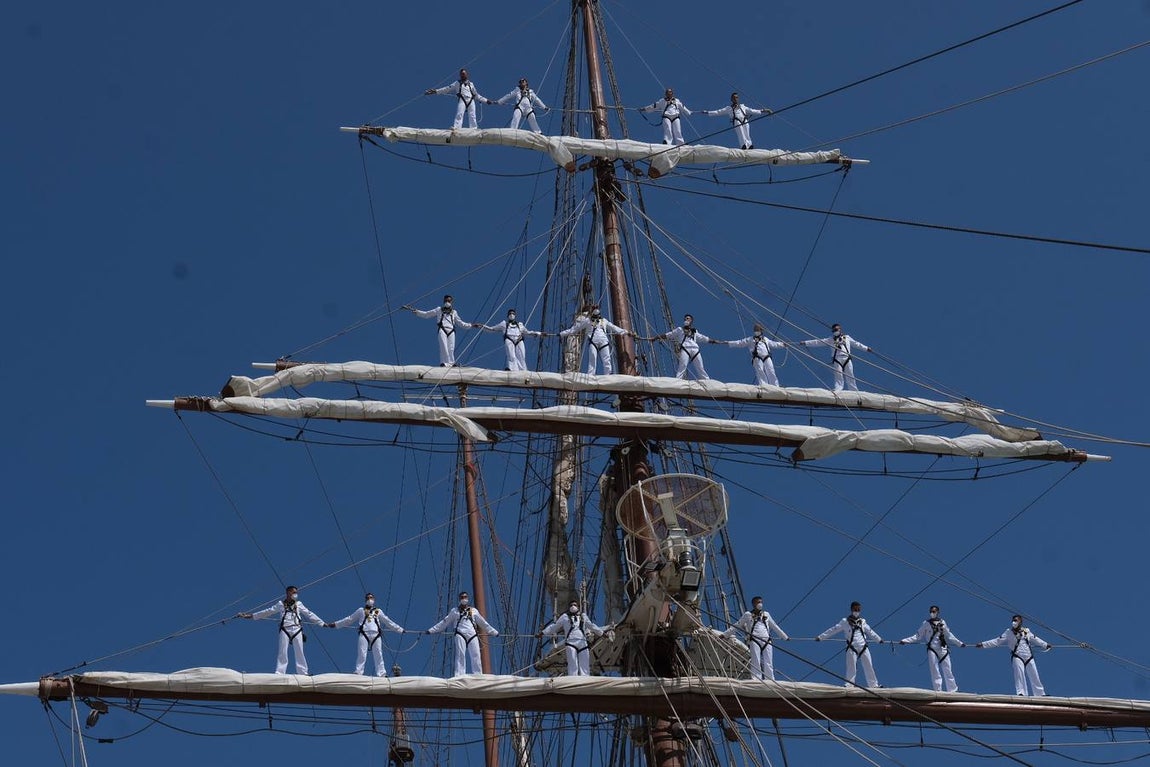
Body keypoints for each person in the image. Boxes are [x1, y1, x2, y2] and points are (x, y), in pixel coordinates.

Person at [237, 586, 327, 675]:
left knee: (299, 650)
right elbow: (267, 611)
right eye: (294, 592)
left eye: (296, 593)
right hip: (285, 629)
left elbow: (309, 614)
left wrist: (322, 623)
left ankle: (303, 672)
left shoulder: (299, 604)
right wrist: (250, 616)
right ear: (288, 593)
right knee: (282, 651)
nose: (296, 594)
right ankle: (280, 672)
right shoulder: (280, 604)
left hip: (297, 629)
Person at [325, 592, 405, 677]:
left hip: (376, 634)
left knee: (378, 654)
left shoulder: (378, 611)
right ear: (365, 600)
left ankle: (382, 673)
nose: (369, 599)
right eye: (368, 598)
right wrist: (336, 624)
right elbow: (349, 619)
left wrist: (400, 629)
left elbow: (388, 622)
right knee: (362, 653)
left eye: (371, 597)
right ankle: (358, 671)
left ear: (374, 599)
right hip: (364, 633)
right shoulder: (361, 611)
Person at [975, 615, 1052, 696]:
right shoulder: (1008, 632)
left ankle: (1040, 693)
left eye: (1015, 620)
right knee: (1019, 674)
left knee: (1034, 675)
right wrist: (983, 644)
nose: (1013, 622)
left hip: (1029, 656)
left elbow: (1035, 639)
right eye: (1013, 620)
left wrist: (1045, 645)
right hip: (1017, 656)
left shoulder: (1026, 631)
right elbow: (997, 641)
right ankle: (1021, 693)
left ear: (1020, 622)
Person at [427, 591, 499, 676]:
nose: (464, 599)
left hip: (472, 634)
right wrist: (431, 630)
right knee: (460, 654)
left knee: (476, 654)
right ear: (459, 599)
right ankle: (459, 674)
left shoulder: (474, 611)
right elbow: (444, 622)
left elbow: (483, 623)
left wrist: (494, 632)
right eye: (462, 597)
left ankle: (478, 674)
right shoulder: (455, 611)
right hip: (460, 633)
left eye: (465, 597)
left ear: (467, 598)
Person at [816, 601, 884, 688]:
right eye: (855, 609)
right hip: (852, 647)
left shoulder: (862, 621)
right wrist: (821, 637)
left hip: (863, 646)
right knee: (851, 667)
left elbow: (870, 632)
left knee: (869, 665)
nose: (857, 611)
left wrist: (879, 639)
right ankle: (849, 684)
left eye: (858, 610)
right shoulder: (845, 621)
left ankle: (873, 685)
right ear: (851, 610)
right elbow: (833, 630)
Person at [899, 605, 964, 692]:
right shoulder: (926, 623)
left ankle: (953, 689)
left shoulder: (943, 622)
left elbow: (949, 635)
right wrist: (905, 641)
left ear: (938, 612)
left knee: (948, 669)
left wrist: (959, 643)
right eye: (930, 612)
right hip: (932, 649)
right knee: (934, 669)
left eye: (933, 611)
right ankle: (938, 690)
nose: (932, 613)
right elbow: (918, 636)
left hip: (943, 649)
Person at [723, 595, 789, 681]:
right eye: (758, 602)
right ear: (754, 604)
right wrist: (725, 634)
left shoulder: (766, 614)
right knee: (755, 661)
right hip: (754, 640)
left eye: (761, 602)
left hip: (766, 640)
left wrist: (785, 637)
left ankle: (770, 679)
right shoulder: (748, 615)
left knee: (768, 662)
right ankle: (756, 679)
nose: (760, 604)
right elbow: (737, 625)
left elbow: (774, 626)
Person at [558, 305, 634, 375]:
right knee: (592, 358)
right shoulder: (588, 321)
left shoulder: (604, 321)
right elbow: (574, 329)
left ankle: (608, 374)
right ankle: (591, 374)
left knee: (607, 359)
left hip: (604, 341)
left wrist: (626, 332)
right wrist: (562, 334)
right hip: (593, 341)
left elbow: (614, 328)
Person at [798, 323, 872, 392]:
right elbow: (818, 342)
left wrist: (866, 348)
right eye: (833, 330)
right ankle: (838, 389)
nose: (835, 331)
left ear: (840, 329)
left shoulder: (847, 337)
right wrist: (805, 343)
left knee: (850, 375)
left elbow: (856, 344)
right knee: (838, 375)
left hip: (847, 358)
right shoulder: (830, 339)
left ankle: (854, 390)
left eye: (836, 329)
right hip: (837, 359)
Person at [541, 600, 606, 676]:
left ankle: (585, 677)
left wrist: (602, 633)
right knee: (572, 663)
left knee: (585, 663)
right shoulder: (564, 617)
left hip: (582, 642)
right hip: (570, 642)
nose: (573, 606)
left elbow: (591, 626)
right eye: (571, 605)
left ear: (578, 607)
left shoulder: (583, 616)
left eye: (575, 605)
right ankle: (573, 677)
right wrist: (543, 633)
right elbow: (554, 626)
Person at [710, 323, 786, 386]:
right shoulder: (750, 339)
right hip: (757, 357)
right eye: (755, 330)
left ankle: (775, 386)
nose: (756, 331)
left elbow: (774, 344)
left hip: (766, 357)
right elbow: (739, 343)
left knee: (771, 371)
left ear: (761, 330)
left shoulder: (765, 339)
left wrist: (784, 344)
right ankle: (764, 385)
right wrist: (726, 342)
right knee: (760, 371)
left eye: (757, 329)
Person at [404, 295, 470, 367]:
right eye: (446, 301)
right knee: (443, 346)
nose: (447, 302)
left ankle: (451, 363)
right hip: (442, 329)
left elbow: (461, 323)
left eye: (449, 301)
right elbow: (427, 314)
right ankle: (444, 363)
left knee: (451, 348)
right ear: (443, 301)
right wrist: (416, 311)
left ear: (451, 302)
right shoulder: (439, 310)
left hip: (451, 331)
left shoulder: (454, 312)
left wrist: (471, 325)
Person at [474, 309, 546, 371]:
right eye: (510, 314)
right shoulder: (503, 324)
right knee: (511, 356)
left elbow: (528, 333)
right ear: (508, 316)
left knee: (521, 357)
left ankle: (523, 370)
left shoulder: (520, 325)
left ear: (515, 315)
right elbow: (492, 329)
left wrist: (540, 334)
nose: (511, 315)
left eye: (513, 313)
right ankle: (512, 369)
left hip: (519, 340)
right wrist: (481, 326)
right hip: (509, 339)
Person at [699, 92, 771, 150]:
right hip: (737, 120)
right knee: (740, 132)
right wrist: (707, 112)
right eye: (734, 98)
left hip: (744, 120)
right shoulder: (728, 108)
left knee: (747, 133)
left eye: (736, 97)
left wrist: (765, 110)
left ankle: (749, 145)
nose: (735, 99)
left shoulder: (743, 106)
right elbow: (718, 112)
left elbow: (753, 111)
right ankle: (743, 145)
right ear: (731, 99)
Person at [424, 68, 491, 129]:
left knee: (472, 115)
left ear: (467, 75)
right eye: (461, 74)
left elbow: (476, 95)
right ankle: (457, 128)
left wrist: (486, 100)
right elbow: (447, 89)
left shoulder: (471, 84)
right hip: (462, 100)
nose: (462, 75)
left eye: (464, 74)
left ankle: (474, 128)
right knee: (459, 114)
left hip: (471, 100)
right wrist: (436, 91)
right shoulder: (457, 83)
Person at [649, 314, 711, 380]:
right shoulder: (680, 329)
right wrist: (656, 337)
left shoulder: (694, 331)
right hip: (685, 349)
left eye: (688, 318)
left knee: (700, 367)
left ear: (691, 321)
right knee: (682, 366)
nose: (686, 320)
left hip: (695, 349)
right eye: (685, 319)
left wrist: (715, 341)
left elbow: (703, 338)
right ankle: (678, 380)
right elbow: (669, 335)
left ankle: (706, 380)